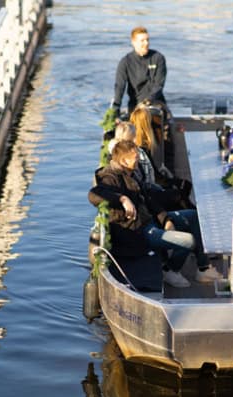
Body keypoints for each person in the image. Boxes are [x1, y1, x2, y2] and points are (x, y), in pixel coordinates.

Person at [88, 140, 221, 287]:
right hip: (139, 231)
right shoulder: (110, 176)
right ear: (124, 160)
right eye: (135, 157)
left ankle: (203, 268)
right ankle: (169, 270)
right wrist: (123, 199)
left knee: (194, 216)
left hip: (151, 220)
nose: (138, 159)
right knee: (188, 240)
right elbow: (94, 194)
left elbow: (149, 200)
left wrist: (166, 220)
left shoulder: (132, 174)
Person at [112, 26, 167, 118]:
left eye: (147, 40)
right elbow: (120, 87)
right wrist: (115, 108)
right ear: (133, 42)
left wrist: (147, 101)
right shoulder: (125, 62)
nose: (146, 43)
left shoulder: (158, 58)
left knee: (169, 127)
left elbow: (159, 85)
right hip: (135, 106)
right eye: (142, 40)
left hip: (156, 104)